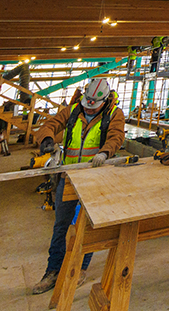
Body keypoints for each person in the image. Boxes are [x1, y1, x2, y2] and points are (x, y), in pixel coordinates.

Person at [29, 77, 126, 294]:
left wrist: (104, 152)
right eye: (87, 101)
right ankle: (52, 271)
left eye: (94, 103)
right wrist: (45, 138)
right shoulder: (73, 109)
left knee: (88, 226)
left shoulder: (114, 114)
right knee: (61, 225)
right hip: (69, 177)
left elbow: (117, 136)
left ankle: (80, 268)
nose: (89, 106)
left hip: (94, 178)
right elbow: (50, 125)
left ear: (104, 100)